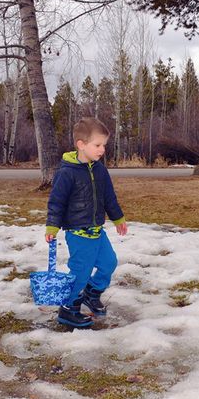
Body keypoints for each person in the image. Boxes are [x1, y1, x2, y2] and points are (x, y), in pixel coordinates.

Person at [45, 117, 128, 328]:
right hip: (78, 233)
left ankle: (92, 292)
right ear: (81, 144)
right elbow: (57, 202)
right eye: (98, 145)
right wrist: (52, 226)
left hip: (97, 231)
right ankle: (68, 309)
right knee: (80, 272)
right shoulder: (66, 173)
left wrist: (118, 218)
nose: (102, 150)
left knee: (109, 263)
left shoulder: (100, 170)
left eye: (104, 145)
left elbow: (109, 196)